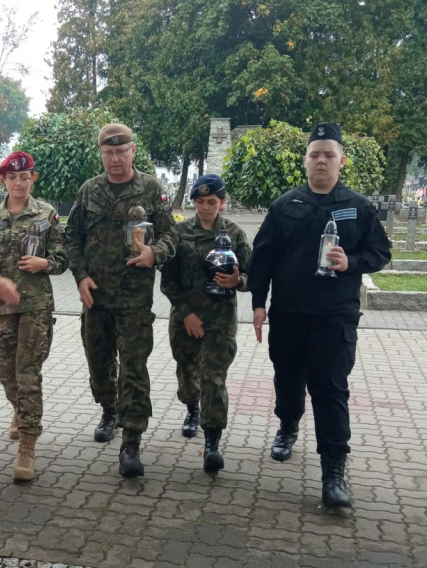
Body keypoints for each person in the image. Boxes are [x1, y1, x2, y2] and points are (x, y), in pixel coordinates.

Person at [248, 123, 391, 508]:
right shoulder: (285, 206)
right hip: (290, 314)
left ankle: (333, 472)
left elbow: (381, 253)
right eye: (315, 154)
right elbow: (263, 257)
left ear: (341, 160)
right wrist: (258, 303)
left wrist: (352, 262)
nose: (322, 161)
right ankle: (287, 426)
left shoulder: (359, 208)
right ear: (305, 160)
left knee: (330, 389)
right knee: (288, 378)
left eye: (329, 154)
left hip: (334, 317)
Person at [65, 123, 177, 477]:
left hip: (133, 301)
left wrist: (154, 253)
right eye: (108, 152)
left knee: (133, 369)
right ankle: (108, 410)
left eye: (121, 151)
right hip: (95, 298)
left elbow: (173, 234)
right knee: (99, 366)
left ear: (133, 151)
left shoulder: (151, 188)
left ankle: (131, 441)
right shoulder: (89, 191)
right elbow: (72, 238)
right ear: (101, 154)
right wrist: (80, 277)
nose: (114, 158)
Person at [0, 151, 67, 482]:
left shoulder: (46, 215)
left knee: (28, 373)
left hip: (36, 307)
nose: (19, 183)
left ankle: (27, 445)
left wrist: (46, 264)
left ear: (32, 178)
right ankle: (19, 409)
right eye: (12, 178)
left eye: (25, 177)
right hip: (2, 310)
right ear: (4, 181)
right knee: (7, 372)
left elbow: (63, 257)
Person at [160, 174, 252, 474]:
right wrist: (186, 313)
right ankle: (191, 408)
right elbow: (168, 282)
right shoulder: (180, 232)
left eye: (212, 202)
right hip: (185, 319)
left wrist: (239, 280)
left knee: (214, 379)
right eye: (199, 202)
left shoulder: (235, 234)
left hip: (220, 321)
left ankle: (212, 441)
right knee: (188, 375)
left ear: (222, 203)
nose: (205, 207)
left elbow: (253, 276)